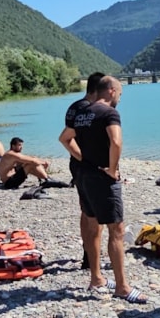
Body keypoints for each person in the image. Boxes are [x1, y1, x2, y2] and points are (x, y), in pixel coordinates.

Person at [59, 76, 148, 304]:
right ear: (110, 91)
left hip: (83, 175)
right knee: (116, 229)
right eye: (120, 93)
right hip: (102, 178)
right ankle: (122, 287)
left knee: (92, 225)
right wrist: (112, 169)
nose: (120, 98)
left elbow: (65, 138)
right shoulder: (109, 113)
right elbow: (116, 142)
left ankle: (96, 278)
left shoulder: (82, 113)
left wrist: (82, 157)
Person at [60, 71, 105, 270]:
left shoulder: (74, 107)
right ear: (98, 89)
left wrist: (77, 156)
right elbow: (68, 138)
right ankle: (92, 255)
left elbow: (68, 137)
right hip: (88, 166)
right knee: (96, 213)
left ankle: (88, 252)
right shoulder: (90, 109)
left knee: (86, 210)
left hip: (76, 165)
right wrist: (85, 157)